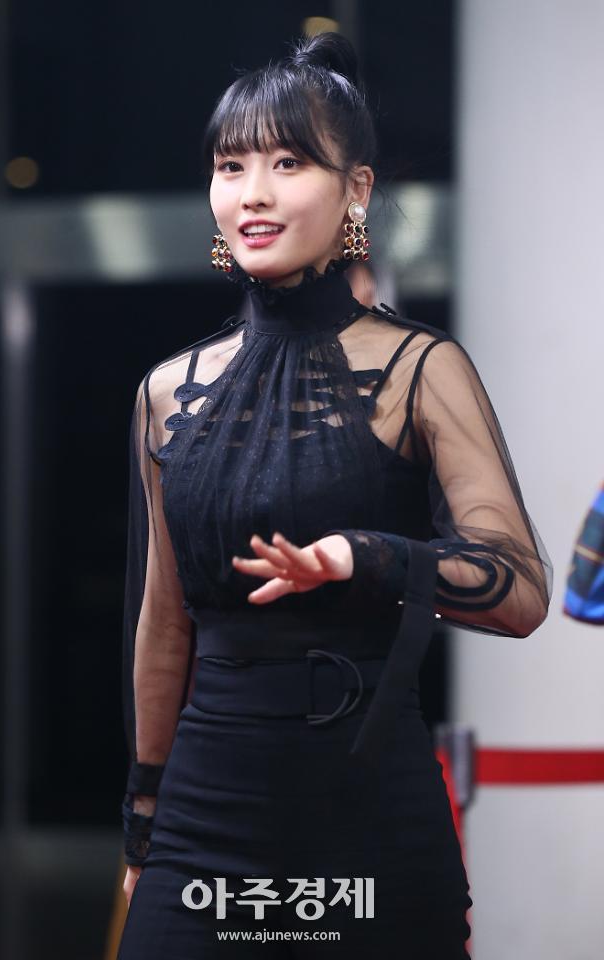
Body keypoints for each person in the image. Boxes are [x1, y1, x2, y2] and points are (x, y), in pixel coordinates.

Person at [116, 32, 553, 959]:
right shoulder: (167, 391)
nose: (253, 193)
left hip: (367, 815)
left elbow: (519, 589)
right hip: (203, 819)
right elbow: (164, 622)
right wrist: (144, 815)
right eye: (231, 166)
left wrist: (366, 558)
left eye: (288, 163)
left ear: (356, 189)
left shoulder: (420, 369)